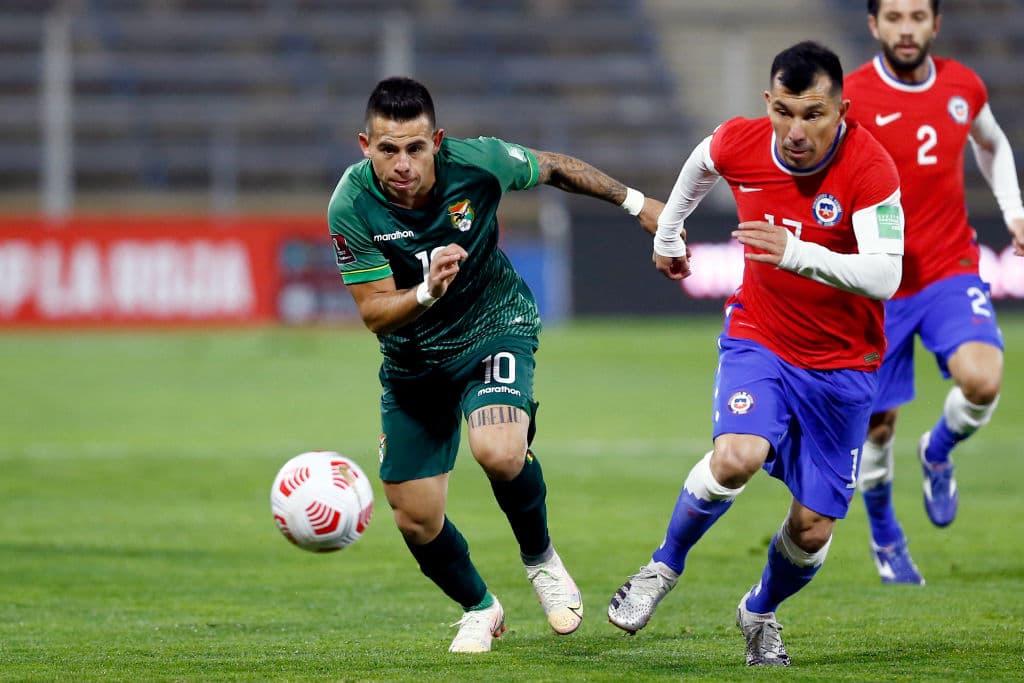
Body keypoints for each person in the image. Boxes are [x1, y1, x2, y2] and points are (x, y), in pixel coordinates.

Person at [328, 76, 662, 653]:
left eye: (414, 147)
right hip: (413, 360)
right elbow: (376, 315)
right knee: (416, 518)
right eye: (387, 149)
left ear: (437, 140)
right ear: (365, 146)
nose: (402, 163)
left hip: (493, 326)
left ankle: (541, 560)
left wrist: (636, 204)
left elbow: (553, 167)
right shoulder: (351, 205)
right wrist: (428, 293)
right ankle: (481, 608)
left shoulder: (478, 163)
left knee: (499, 450)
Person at [606, 41, 905, 667]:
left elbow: (885, 276)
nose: (797, 131)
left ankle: (760, 610)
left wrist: (794, 252)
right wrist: (668, 233)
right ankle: (662, 567)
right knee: (737, 455)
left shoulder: (870, 167)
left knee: (812, 530)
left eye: (814, 115)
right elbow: (700, 163)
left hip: (845, 366)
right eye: (786, 112)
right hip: (761, 337)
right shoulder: (742, 140)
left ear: (842, 110)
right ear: (768, 103)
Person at [845, 0, 1024, 585]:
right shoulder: (850, 97)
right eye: (893, 17)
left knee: (984, 379)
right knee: (877, 427)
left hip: (949, 267)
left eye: (917, 16)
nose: (905, 29)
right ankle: (885, 537)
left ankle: (938, 450)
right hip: (878, 284)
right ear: (873, 25)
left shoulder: (962, 85)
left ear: (935, 24)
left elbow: (991, 143)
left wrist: (1015, 211)